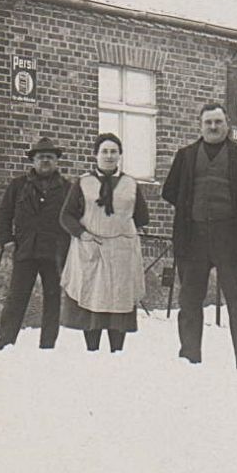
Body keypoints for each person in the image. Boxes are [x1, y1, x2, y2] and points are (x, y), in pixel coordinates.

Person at [160, 102, 237, 367]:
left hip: (232, 237)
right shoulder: (185, 156)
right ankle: (189, 357)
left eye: (218, 122)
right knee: (189, 300)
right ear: (200, 125)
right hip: (193, 236)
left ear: (227, 125)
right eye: (208, 122)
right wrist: (189, 207)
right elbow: (169, 191)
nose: (213, 127)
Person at [62, 133, 150, 353]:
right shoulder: (83, 182)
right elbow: (66, 216)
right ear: (95, 155)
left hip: (121, 250)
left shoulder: (130, 183)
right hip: (91, 247)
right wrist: (83, 234)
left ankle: (117, 352)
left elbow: (142, 217)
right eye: (104, 151)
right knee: (93, 295)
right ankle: (92, 350)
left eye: (113, 151)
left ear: (120, 155)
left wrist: (120, 228)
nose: (109, 156)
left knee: (119, 297)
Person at [0, 135, 74, 349]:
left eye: (49, 157)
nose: (45, 161)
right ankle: (6, 342)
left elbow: (75, 218)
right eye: (40, 157)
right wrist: (7, 241)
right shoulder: (18, 186)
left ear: (56, 161)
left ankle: (48, 345)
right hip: (25, 250)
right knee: (16, 299)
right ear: (33, 161)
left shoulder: (67, 189)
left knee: (53, 300)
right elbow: (3, 215)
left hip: (54, 252)